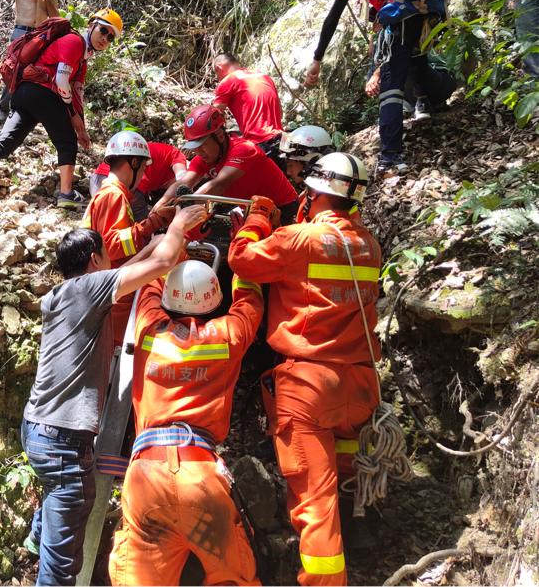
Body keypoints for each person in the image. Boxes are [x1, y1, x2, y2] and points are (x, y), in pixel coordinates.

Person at [21, 203, 209, 586]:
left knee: (61, 500)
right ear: (94, 259)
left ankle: (37, 538)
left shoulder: (64, 294)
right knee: (62, 563)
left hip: (38, 428)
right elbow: (164, 262)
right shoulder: (90, 289)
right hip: (63, 440)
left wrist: (154, 240)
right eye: (105, 254)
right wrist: (177, 226)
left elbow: (122, 273)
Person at [228, 153, 382, 586]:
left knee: (316, 501)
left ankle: (327, 578)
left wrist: (258, 216)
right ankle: (360, 528)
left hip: (310, 386)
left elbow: (242, 259)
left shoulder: (300, 239)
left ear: (315, 193)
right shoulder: (368, 243)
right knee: (345, 463)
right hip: (359, 384)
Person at [108, 257, 264, 586]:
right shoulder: (228, 335)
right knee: (233, 579)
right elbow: (251, 299)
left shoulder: (148, 326)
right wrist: (245, 245)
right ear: (216, 304)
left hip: (146, 478)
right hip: (201, 477)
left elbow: (150, 284)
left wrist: (178, 248)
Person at [303, 0, 445, 175]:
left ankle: (391, 157)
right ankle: (428, 101)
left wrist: (317, 58)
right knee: (418, 63)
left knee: (390, 88)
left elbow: (333, 17)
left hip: (401, 22)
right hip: (426, 13)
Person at [0, 8, 123, 208]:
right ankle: (66, 193)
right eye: (103, 31)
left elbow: (76, 93)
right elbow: (62, 82)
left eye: (111, 37)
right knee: (67, 142)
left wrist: (81, 127)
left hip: (23, 94)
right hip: (44, 94)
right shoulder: (75, 42)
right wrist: (71, 115)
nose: (105, 38)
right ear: (91, 26)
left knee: (6, 142)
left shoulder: (83, 58)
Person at [82, 130, 176, 348]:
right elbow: (112, 246)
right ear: (133, 162)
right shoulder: (113, 195)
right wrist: (151, 225)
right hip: (115, 292)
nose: (144, 176)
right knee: (116, 352)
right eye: (143, 168)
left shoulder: (113, 194)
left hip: (112, 288)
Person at [155, 105, 298, 216]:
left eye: (203, 145)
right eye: (195, 147)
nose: (198, 152)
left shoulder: (244, 150)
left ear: (219, 136)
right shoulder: (204, 158)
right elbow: (183, 182)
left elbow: (218, 184)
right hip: (255, 208)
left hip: (283, 207)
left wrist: (181, 207)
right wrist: (159, 206)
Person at [89, 139, 187, 220]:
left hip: (96, 180)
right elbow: (182, 178)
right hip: (129, 184)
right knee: (139, 226)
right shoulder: (177, 155)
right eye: (144, 167)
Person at [212, 53, 285, 155]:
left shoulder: (228, 80)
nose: (218, 78)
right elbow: (280, 113)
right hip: (282, 140)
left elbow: (212, 116)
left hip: (260, 142)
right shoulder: (264, 76)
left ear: (219, 67)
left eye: (216, 73)